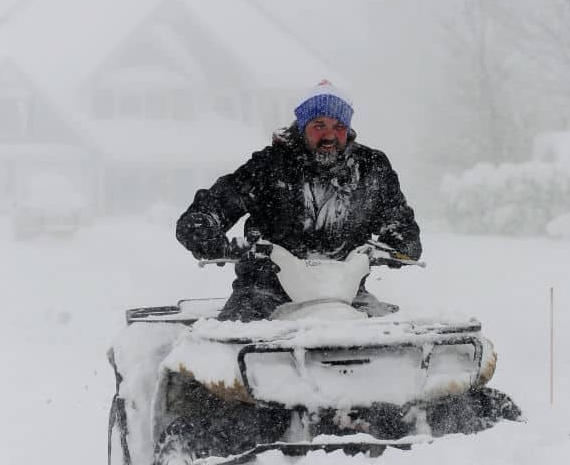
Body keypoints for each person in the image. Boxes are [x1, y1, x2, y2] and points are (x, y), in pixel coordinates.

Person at [176, 80, 422, 321]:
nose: (330, 136)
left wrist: (400, 244)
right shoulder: (269, 167)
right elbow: (207, 211)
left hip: (345, 295)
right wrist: (210, 237)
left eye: (338, 126)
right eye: (319, 125)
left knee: (392, 341)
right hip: (265, 292)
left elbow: (400, 225)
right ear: (302, 126)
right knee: (227, 345)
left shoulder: (370, 169)